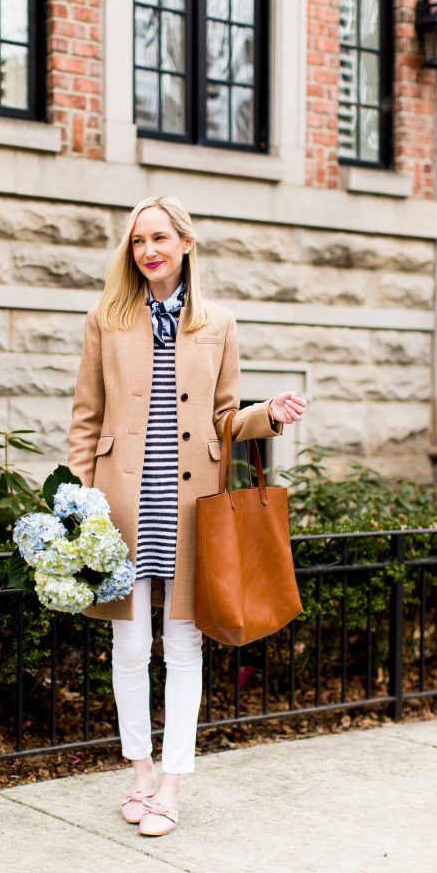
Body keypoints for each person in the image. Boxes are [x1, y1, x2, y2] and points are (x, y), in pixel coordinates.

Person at [67, 195, 307, 837]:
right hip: (122, 501)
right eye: (139, 240)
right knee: (128, 644)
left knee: (182, 645)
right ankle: (140, 772)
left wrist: (268, 415)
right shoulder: (105, 318)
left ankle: (172, 783)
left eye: (160, 239)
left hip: (189, 504)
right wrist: (78, 501)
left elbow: (225, 418)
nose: (149, 250)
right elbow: (87, 418)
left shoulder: (218, 323)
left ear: (186, 244)